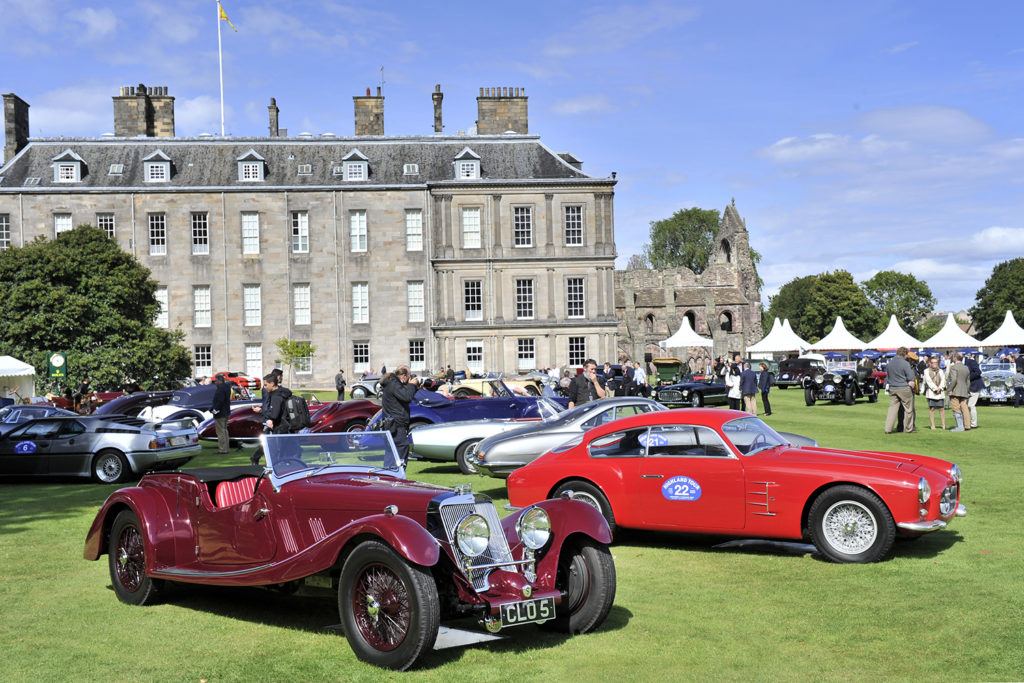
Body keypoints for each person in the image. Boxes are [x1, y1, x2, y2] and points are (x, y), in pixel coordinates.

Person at [381, 365, 419, 466]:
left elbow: (405, 396)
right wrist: (411, 385)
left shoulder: (392, 383)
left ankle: (388, 479)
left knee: (391, 456)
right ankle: (398, 479)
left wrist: (415, 387)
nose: (410, 379)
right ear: (403, 376)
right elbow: (407, 397)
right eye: (409, 376)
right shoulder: (394, 385)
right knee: (400, 455)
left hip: (392, 426)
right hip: (397, 427)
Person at [884, 347, 916, 433]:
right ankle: (908, 429)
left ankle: (888, 429)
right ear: (905, 354)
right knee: (909, 409)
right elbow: (910, 377)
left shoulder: (890, 363)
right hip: (903, 388)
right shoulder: (905, 363)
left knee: (892, 409)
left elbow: (888, 376)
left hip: (892, 388)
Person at [946, 353, 971, 431]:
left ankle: (960, 427)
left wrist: (950, 389)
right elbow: (968, 382)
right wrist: (967, 391)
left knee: (956, 408)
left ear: (955, 358)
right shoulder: (966, 368)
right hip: (964, 391)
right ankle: (967, 426)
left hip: (955, 391)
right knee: (965, 408)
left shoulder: (954, 367)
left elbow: (953, 380)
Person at [923, 356, 947, 430]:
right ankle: (932, 425)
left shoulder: (940, 371)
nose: (934, 364)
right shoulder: (926, 371)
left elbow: (943, 380)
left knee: (941, 409)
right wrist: (935, 388)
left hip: (940, 392)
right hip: (931, 392)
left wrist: (940, 387)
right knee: (932, 409)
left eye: (936, 362)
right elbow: (928, 380)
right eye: (933, 362)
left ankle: (943, 425)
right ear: (930, 363)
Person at [211, 374, 233, 454]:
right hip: (226, 411)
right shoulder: (227, 387)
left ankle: (222, 449)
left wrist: (214, 410)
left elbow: (220, 401)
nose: (215, 382)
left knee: (220, 432)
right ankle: (226, 448)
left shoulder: (220, 389)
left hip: (220, 413)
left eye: (216, 381)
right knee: (225, 431)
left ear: (220, 381)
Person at [965, 353, 983, 429]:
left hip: (975, 386)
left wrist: (968, 378)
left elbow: (978, 372)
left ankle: (974, 424)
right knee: (966, 406)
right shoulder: (963, 363)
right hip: (967, 387)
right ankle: (967, 423)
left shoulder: (971, 362)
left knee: (971, 405)